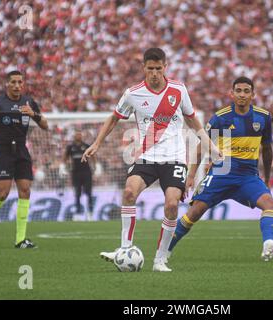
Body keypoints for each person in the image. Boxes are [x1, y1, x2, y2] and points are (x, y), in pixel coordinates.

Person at [82, 48, 220, 272]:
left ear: (165, 67)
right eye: (150, 69)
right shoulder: (133, 93)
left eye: (158, 68)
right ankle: (125, 248)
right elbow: (113, 118)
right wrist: (97, 143)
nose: (154, 73)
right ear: (143, 68)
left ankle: (160, 259)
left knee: (172, 205)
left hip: (174, 158)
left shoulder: (178, 89)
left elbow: (193, 121)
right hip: (146, 156)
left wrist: (211, 146)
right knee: (128, 192)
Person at [167, 76, 273, 262]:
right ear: (231, 94)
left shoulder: (263, 117)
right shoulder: (221, 118)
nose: (242, 95)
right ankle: (164, 252)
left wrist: (266, 178)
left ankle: (268, 245)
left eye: (246, 91)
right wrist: (191, 175)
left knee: (270, 204)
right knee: (194, 213)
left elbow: (267, 149)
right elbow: (203, 145)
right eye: (238, 91)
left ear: (253, 95)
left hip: (248, 176)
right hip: (222, 172)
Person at [0, 70, 48, 249]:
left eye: (20, 82)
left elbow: (45, 125)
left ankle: (20, 240)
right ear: (7, 84)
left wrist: (34, 115)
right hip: (5, 151)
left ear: (23, 84)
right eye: (13, 82)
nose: (17, 85)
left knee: (25, 190)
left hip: (22, 151)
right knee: (3, 193)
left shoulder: (29, 102)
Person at [64, 130, 94, 221]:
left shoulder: (86, 146)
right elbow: (65, 157)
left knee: (89, 193)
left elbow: (93, 156)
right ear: (74, 136)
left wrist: (96, 166)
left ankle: (90, 213)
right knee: (77, 193)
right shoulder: (70, 147)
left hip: (86, 172)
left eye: (80, 134)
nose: (78, 136)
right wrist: (63, 167)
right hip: (75, 173)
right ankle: (77, 213)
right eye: (77, 134)